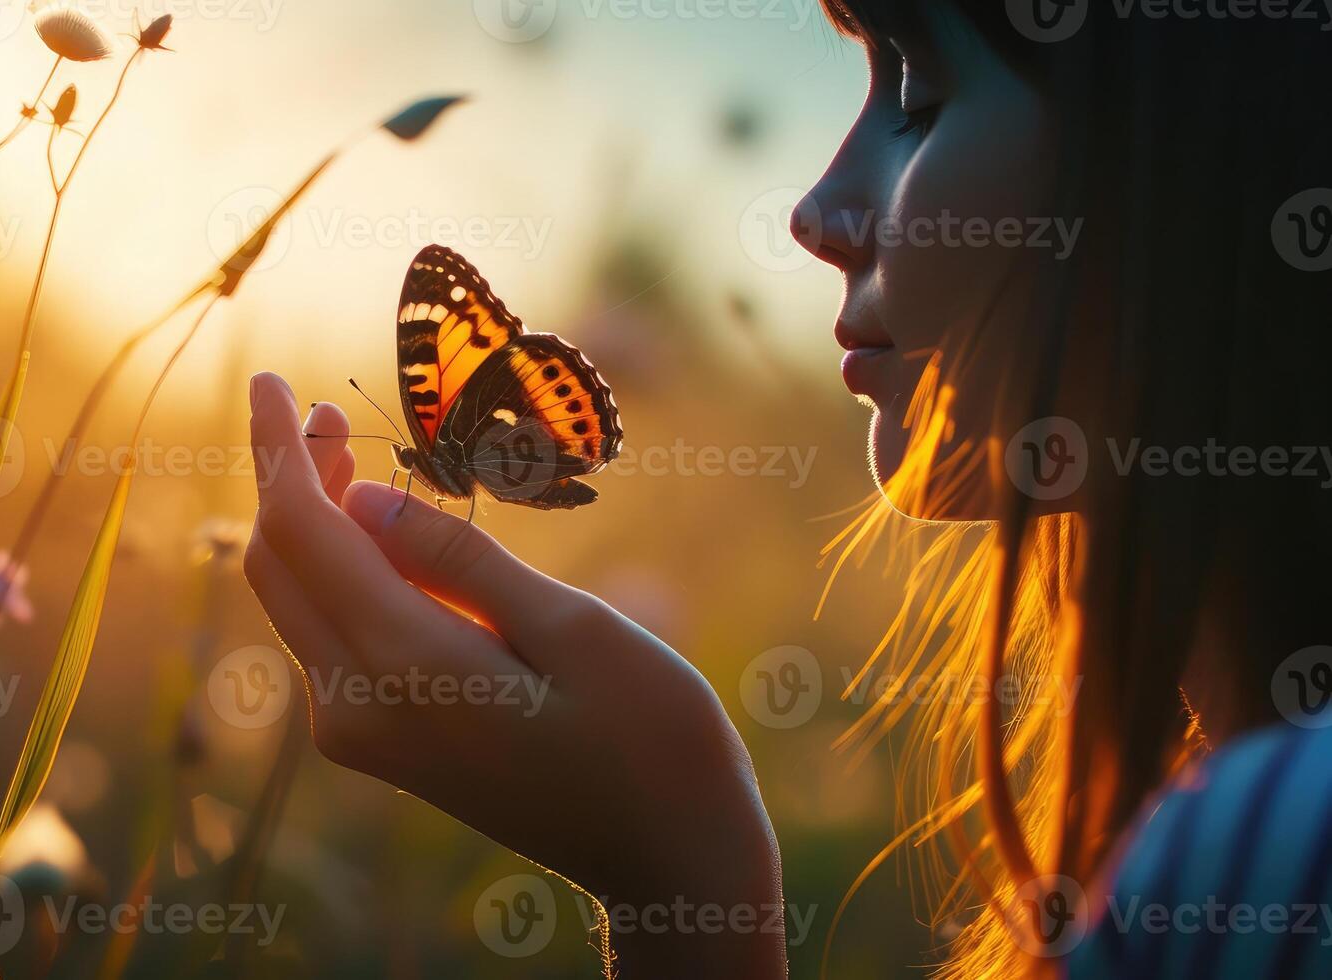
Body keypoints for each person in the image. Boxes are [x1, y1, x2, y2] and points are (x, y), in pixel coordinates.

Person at [242, 2, 1332, 975]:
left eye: (919, 89)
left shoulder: (1268, 855)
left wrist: (681, 885)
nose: (812, 214)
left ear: (1200, 156)